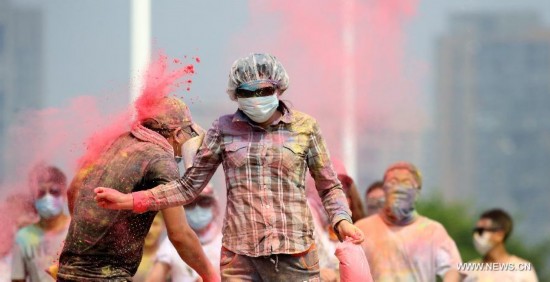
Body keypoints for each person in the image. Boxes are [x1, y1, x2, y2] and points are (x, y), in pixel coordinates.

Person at [94, 53, 364, 281]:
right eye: (247, 93)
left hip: (296, 257)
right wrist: (129, 200)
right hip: (240, 261)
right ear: (236, 95)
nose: (256, 98)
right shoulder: (223, 129)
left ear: (278, 89)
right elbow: (188, 187)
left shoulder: (306, 128)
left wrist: (342, 221)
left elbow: (329, 187)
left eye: (264, 91)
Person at [57, 97, 218, 281]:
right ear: (177, 133)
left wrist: (86, 237)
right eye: (188, 134)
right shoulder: (161, 161)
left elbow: (74, 189)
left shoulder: (115, 143)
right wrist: (211, 276)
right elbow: (179, 234)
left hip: (66, 273)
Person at [355, 162, 461, 281]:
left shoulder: (432, 231)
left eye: (406, 183)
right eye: (393, 182)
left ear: (417, 192)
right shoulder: (362, 229)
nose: (399, 188)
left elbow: (453, 268)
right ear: (384, 189)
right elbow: (346, 268)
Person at [146, 184, 222, 282]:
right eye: (190, 204)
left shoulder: (226, 244)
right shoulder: (174, 241)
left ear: (215, 206)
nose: (197, 209)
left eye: (204, 202)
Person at [11, 164, 71, 282]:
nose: (48, 197)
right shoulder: (23, 236)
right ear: (34, 197)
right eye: (41, 193)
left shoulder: (76, 230)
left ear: (65, 194)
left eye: (54, 191)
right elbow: (18, 279)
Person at [461, 209, 538, 281]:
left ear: (499, 234)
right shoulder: (469, 270)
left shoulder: (522, 270)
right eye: (476, 231)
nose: (477, 236)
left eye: (481, 231)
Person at [133, 213, 166, 282]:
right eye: (145, 224)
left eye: (155, 224)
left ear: (163, 226)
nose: (150, 230)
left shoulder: (169, 258)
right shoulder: (124, 257)